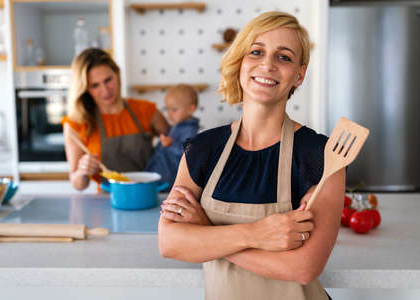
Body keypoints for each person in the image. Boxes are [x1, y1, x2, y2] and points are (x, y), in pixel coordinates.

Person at [158, 11, 345, 300]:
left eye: (284, 57)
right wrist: (256, 234)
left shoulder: (321, 155)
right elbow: (170, 242)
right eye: (256, 52)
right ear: (240, 62)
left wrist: (207, 232)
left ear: (299, 74)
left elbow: (304, 268)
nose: (267, 64)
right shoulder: (203, 149)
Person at [62, 48, 169, 191]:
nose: (105, 91)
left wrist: (170, 145)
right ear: (85, 89)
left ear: (117, 73)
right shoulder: (76, 123)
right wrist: (82, 171)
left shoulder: (146, 111)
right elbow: (78, 185)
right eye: (95, 85)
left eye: (108, 80)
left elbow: (176, 151)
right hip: (107, 203)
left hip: (149, 196)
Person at [145, 84, 200, 190]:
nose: (169, 114)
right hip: (161, 172)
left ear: (191, 109)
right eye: (167, 109)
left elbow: (187, 152)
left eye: (174, 110)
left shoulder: (189, 130)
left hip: (170, 178)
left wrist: (170, 145)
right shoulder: (176, 126)